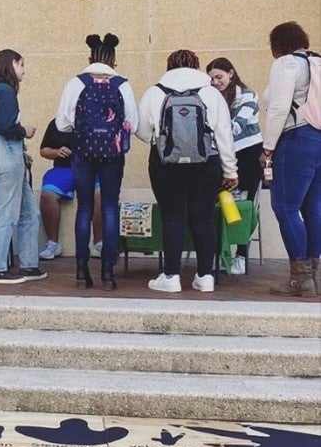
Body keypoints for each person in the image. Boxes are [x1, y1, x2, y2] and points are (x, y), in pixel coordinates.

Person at [135, 50, 237, 293]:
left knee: (172, 218)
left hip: (165, 163)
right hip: (206, 162)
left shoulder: (155, 91)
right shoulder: (210, 92)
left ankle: (171, 276)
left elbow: (141, 131)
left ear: (169, 66)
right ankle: (205, 276)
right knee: (202, 218)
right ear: (197, 66)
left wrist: (157, 137)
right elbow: (224, 135)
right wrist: (230, 170)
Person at [55, 34, 138, 290]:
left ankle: (81, 272)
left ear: (89, 58)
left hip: (83, 153)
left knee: (84, 209)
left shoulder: (75, 83)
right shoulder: (122, 85)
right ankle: (107, 275)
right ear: (113, 59)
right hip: (113, 155)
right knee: (110, 208)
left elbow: (62, 124)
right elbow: (132, 125)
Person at [259, 22, 321, 297]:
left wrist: (268, 147)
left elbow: (279, 109)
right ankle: (315, 276)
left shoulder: (287, 64)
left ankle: (301, 279)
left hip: (296, 139)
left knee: (285, 207)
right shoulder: (317, 61)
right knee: (314, 207)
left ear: (278, 43)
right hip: (319, 140)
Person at [0, 49, 45, 284]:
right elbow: (6, 126)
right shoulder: (5, 91)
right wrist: (24, 131)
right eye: (21, 64)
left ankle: (29, 264)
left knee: (28, 211)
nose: (24, 70)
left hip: (1, 153)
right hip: (6, 153)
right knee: (6, 212)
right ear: (12, 64)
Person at [206, 57, 263, 275]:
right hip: (224, 157)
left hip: (249, 155)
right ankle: (223, 253)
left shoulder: (248, 95)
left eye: (219, 77)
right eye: (211, 79)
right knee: (225, 204)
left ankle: (241, 255)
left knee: (245, 206)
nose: (216, 82)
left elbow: (234, 127)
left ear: (231, 73)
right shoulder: (212, 97)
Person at [37, 119, 103, 260]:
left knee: (101, 193)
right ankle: (53, 244)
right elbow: (43, 151)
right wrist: (57, 151)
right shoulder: (57, 123)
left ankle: (98, 244)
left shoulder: (97, 120)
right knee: (47, 194)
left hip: (92, 169)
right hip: (63, 168)